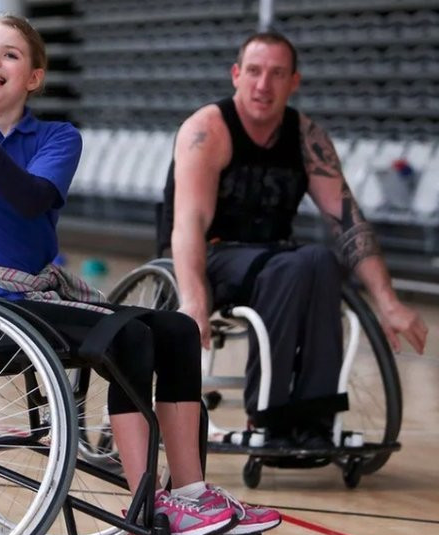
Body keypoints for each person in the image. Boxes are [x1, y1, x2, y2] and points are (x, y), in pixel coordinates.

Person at [0, 14, 279, 535]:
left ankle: (188, 496)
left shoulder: (57, 138)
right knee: (130, 337)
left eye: (9, 54)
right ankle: (145, 512)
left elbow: (29, 200)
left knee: (179, 331)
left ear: (35, 78)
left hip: (32, 295)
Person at [166, 31, 428, 449]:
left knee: (322, 260)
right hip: (211, 253)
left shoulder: (308, 138)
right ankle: (271, 416)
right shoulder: (207, 130)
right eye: (253, 71)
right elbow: (189, 222)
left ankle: (314, 418)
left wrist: (388, 300)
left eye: (276, 74)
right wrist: (195, 299)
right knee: (297, 264)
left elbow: (348, 221)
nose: (262, 85)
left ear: (294, 82)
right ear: (236, 75)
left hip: (275, 260)